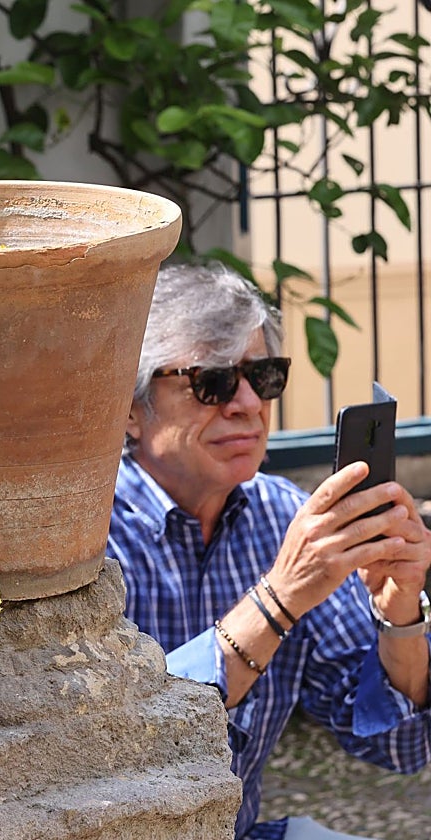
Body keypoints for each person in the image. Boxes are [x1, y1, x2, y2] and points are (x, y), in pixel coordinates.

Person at [106, 262, 431, 840]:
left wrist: (399, 614)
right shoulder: (89, 540)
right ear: (130, 409)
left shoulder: (284, 515)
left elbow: (397, 748)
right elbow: (124, 749)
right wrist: (280, 598)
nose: (249, 403)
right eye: (213, 382)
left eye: (264, 375)